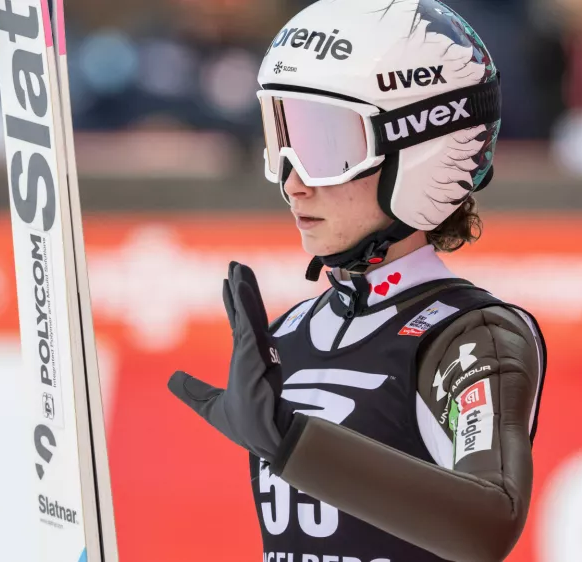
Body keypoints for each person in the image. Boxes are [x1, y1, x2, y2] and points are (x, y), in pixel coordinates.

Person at [167, 1, 547, 561]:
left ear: (419, 148)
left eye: (324, 146)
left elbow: (491, 521)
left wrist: (288, 441)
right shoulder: (288, 333)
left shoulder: (470, 337)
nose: (293, 182)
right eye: (281, 137)